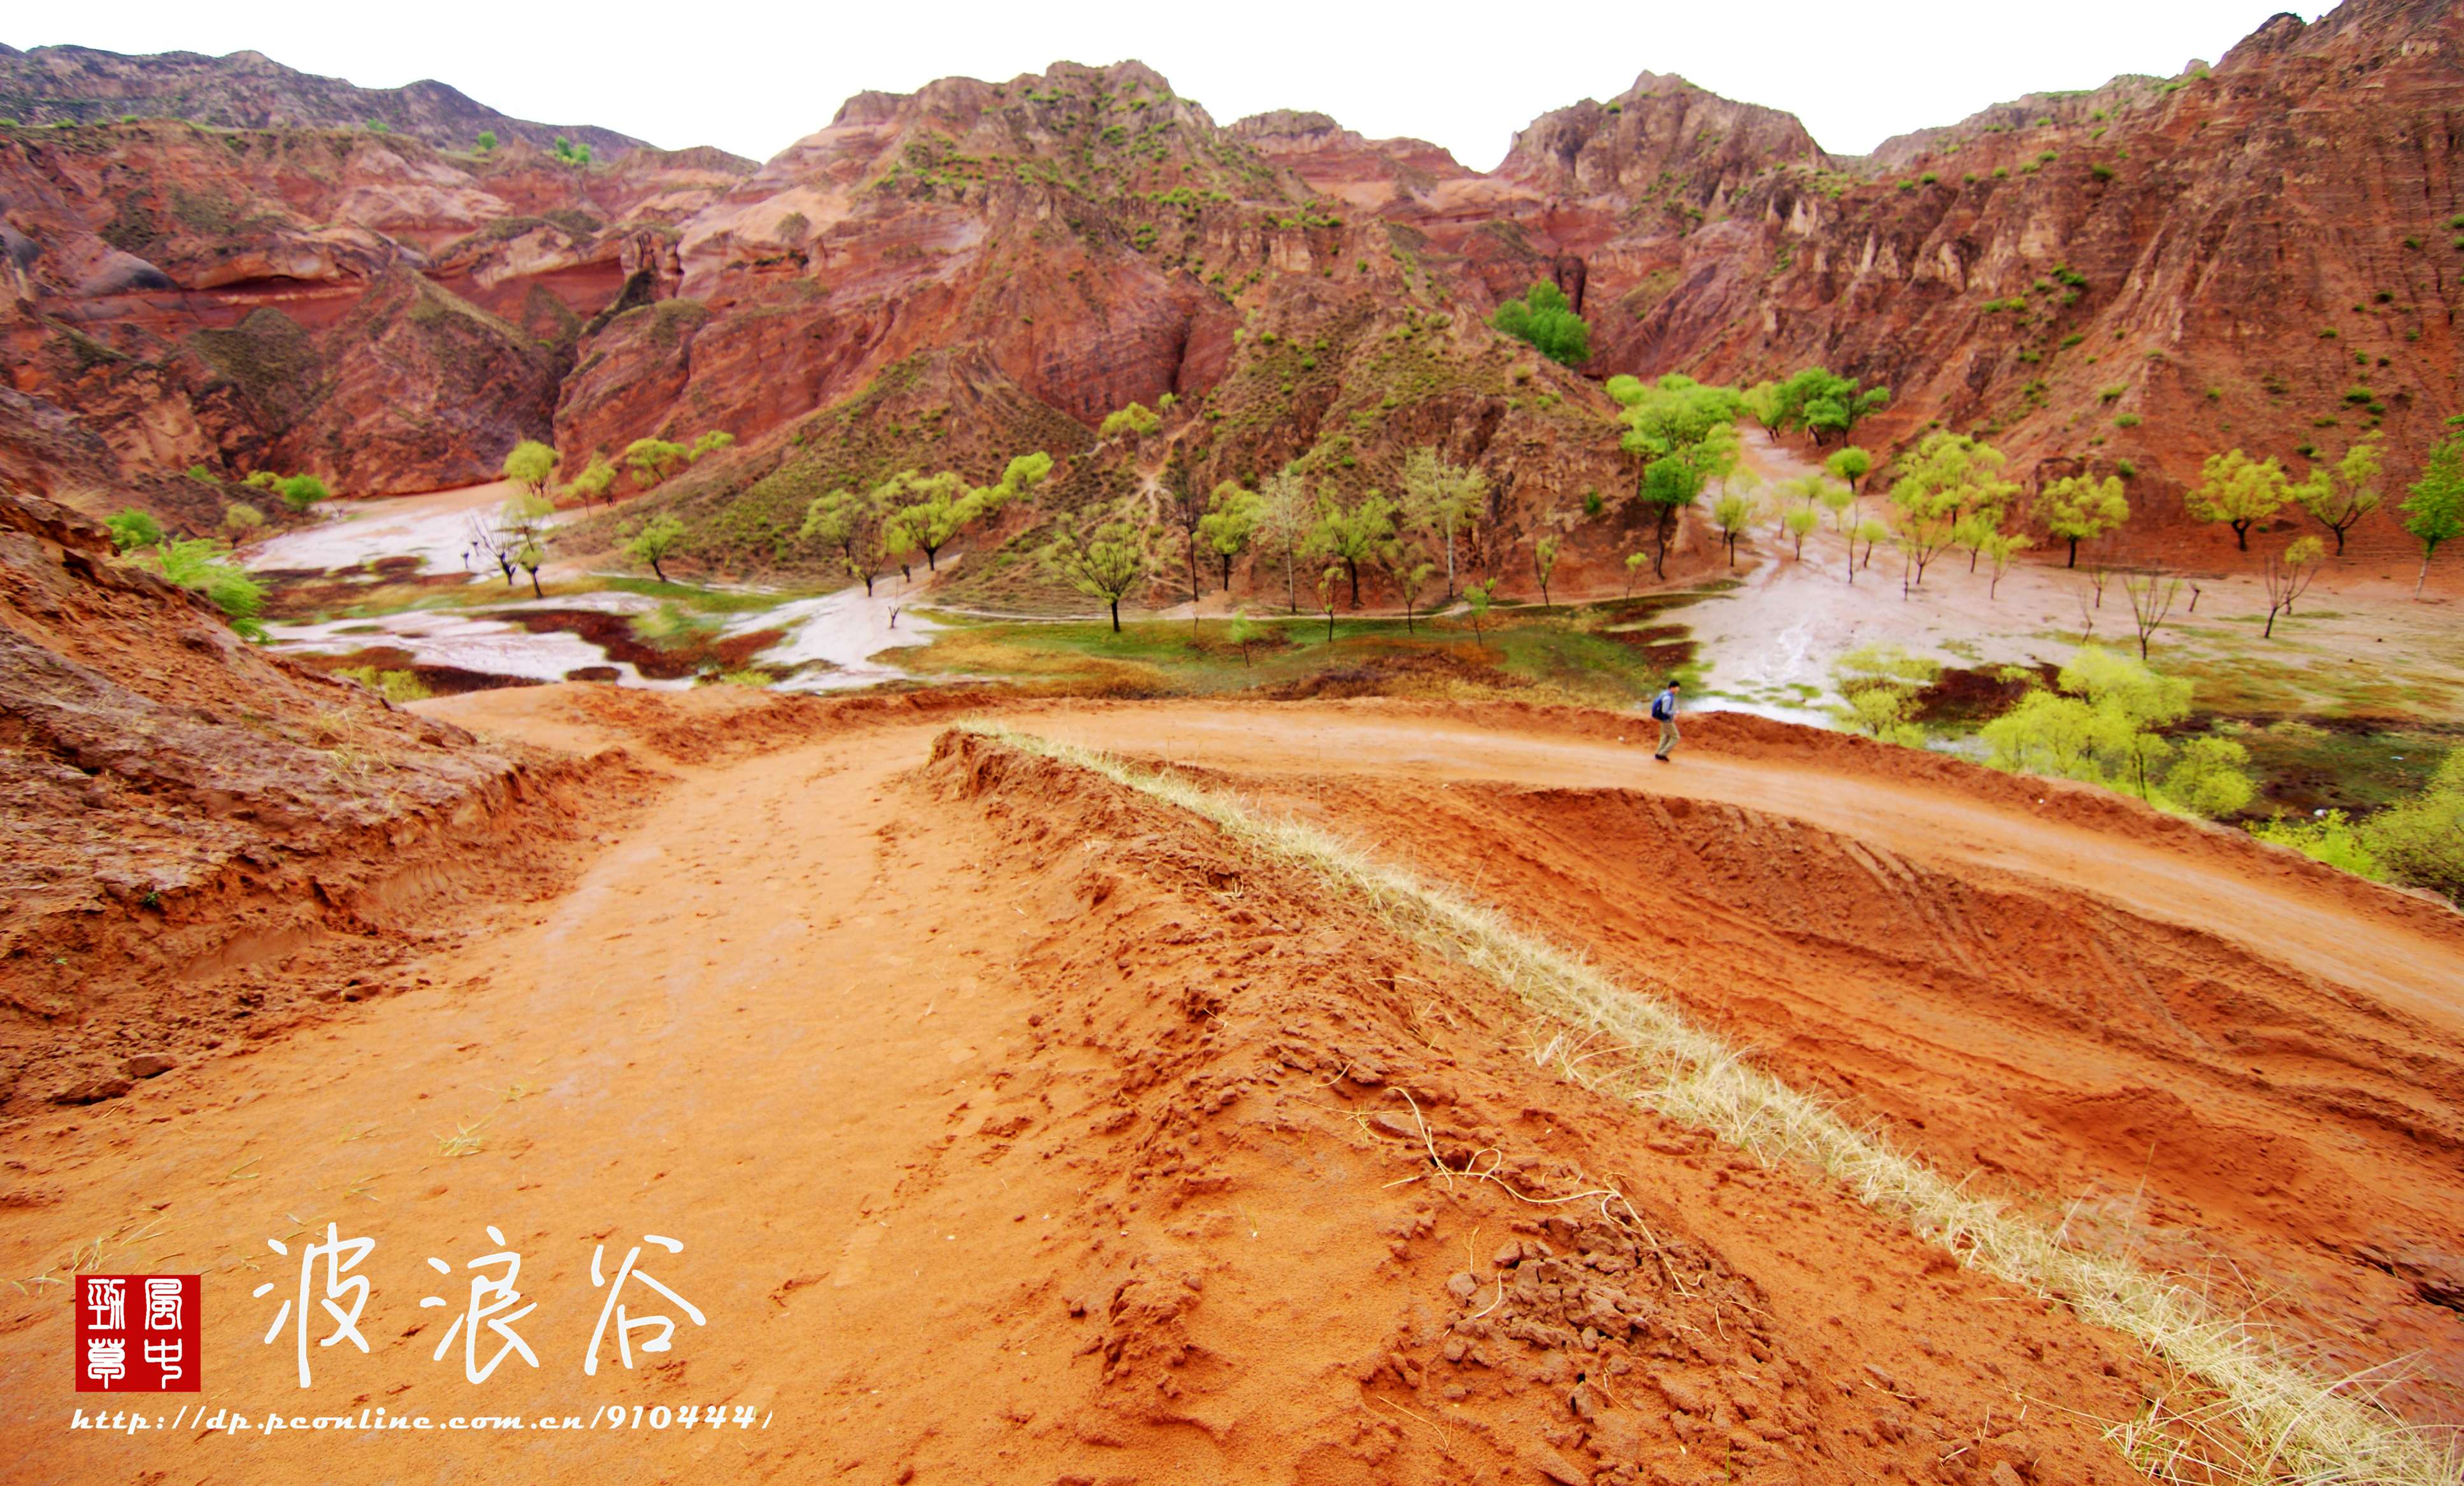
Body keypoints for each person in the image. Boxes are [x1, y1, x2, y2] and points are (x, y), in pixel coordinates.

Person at [1649, 680, 1682, 762]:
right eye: (1677, 688)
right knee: (1676, 737)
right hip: (1666, 720)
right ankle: (1663, 754)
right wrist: (1675, 713)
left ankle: (1658, 753)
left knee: (1665, 736)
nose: (1679, 690)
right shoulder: (1668, 697)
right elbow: (1665, 711)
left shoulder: (1664, 694)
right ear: (1672, 688)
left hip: (1662, 719)